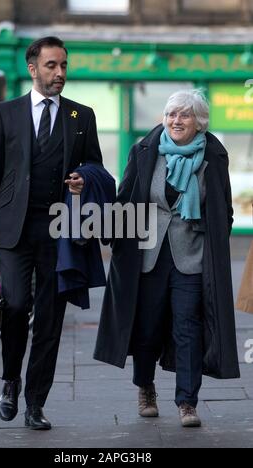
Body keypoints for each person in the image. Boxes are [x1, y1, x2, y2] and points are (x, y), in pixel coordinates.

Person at [0, 36, 102, 430]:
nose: (59, 73)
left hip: (59, 231)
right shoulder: (5, 113)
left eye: (63, 65)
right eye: (51, 65)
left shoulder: (82, 116)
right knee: (14, 305)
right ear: (33, 69)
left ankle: (35, 403)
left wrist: (84, 179)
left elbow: (96, 165)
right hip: (13, 230)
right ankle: (10, 379)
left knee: (50, 317)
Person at [94, 89, 240, 427]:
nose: (176, 120)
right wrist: (106, 231)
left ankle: (187, 402)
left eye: (184, 115)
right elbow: (125, 195)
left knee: (188, 328)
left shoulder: (213, 155)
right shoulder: (145, 150)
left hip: (191, 255)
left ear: (199, 122)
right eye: (172, 114)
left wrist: (213, 235)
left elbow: (224, 208)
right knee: (147, 327)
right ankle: (145, 388)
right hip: (148, 254)